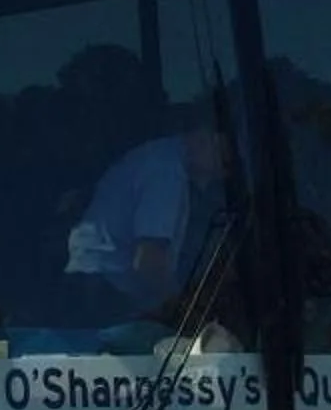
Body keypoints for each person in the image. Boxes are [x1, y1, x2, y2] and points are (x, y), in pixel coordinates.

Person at [65, 123, 227, 317]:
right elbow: (149, 262)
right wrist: (185, 312)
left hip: (99, 284)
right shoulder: (165, 172)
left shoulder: (160, 158)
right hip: (106, 291)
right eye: (223, 149)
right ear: (202, 136)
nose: (227, 163)